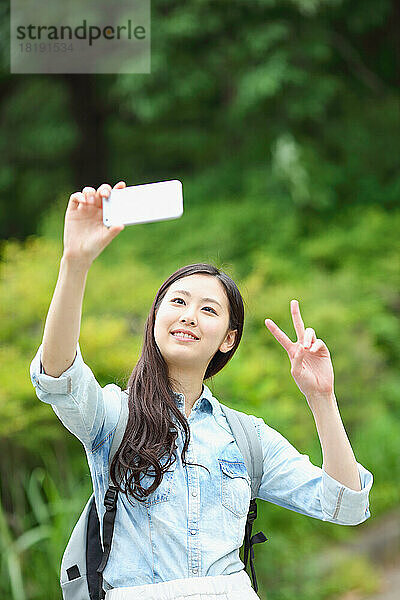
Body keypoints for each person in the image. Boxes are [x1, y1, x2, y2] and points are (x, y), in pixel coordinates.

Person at [30, 181, 373, 600]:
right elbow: (59, 376)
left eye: (208, 309)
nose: (189, 315)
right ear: (156, 318)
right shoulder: (114, 416)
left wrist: (321, 398)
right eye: (177, 302)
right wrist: (75, 262)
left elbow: (345, 505)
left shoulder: (247, 437)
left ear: (228, 339)